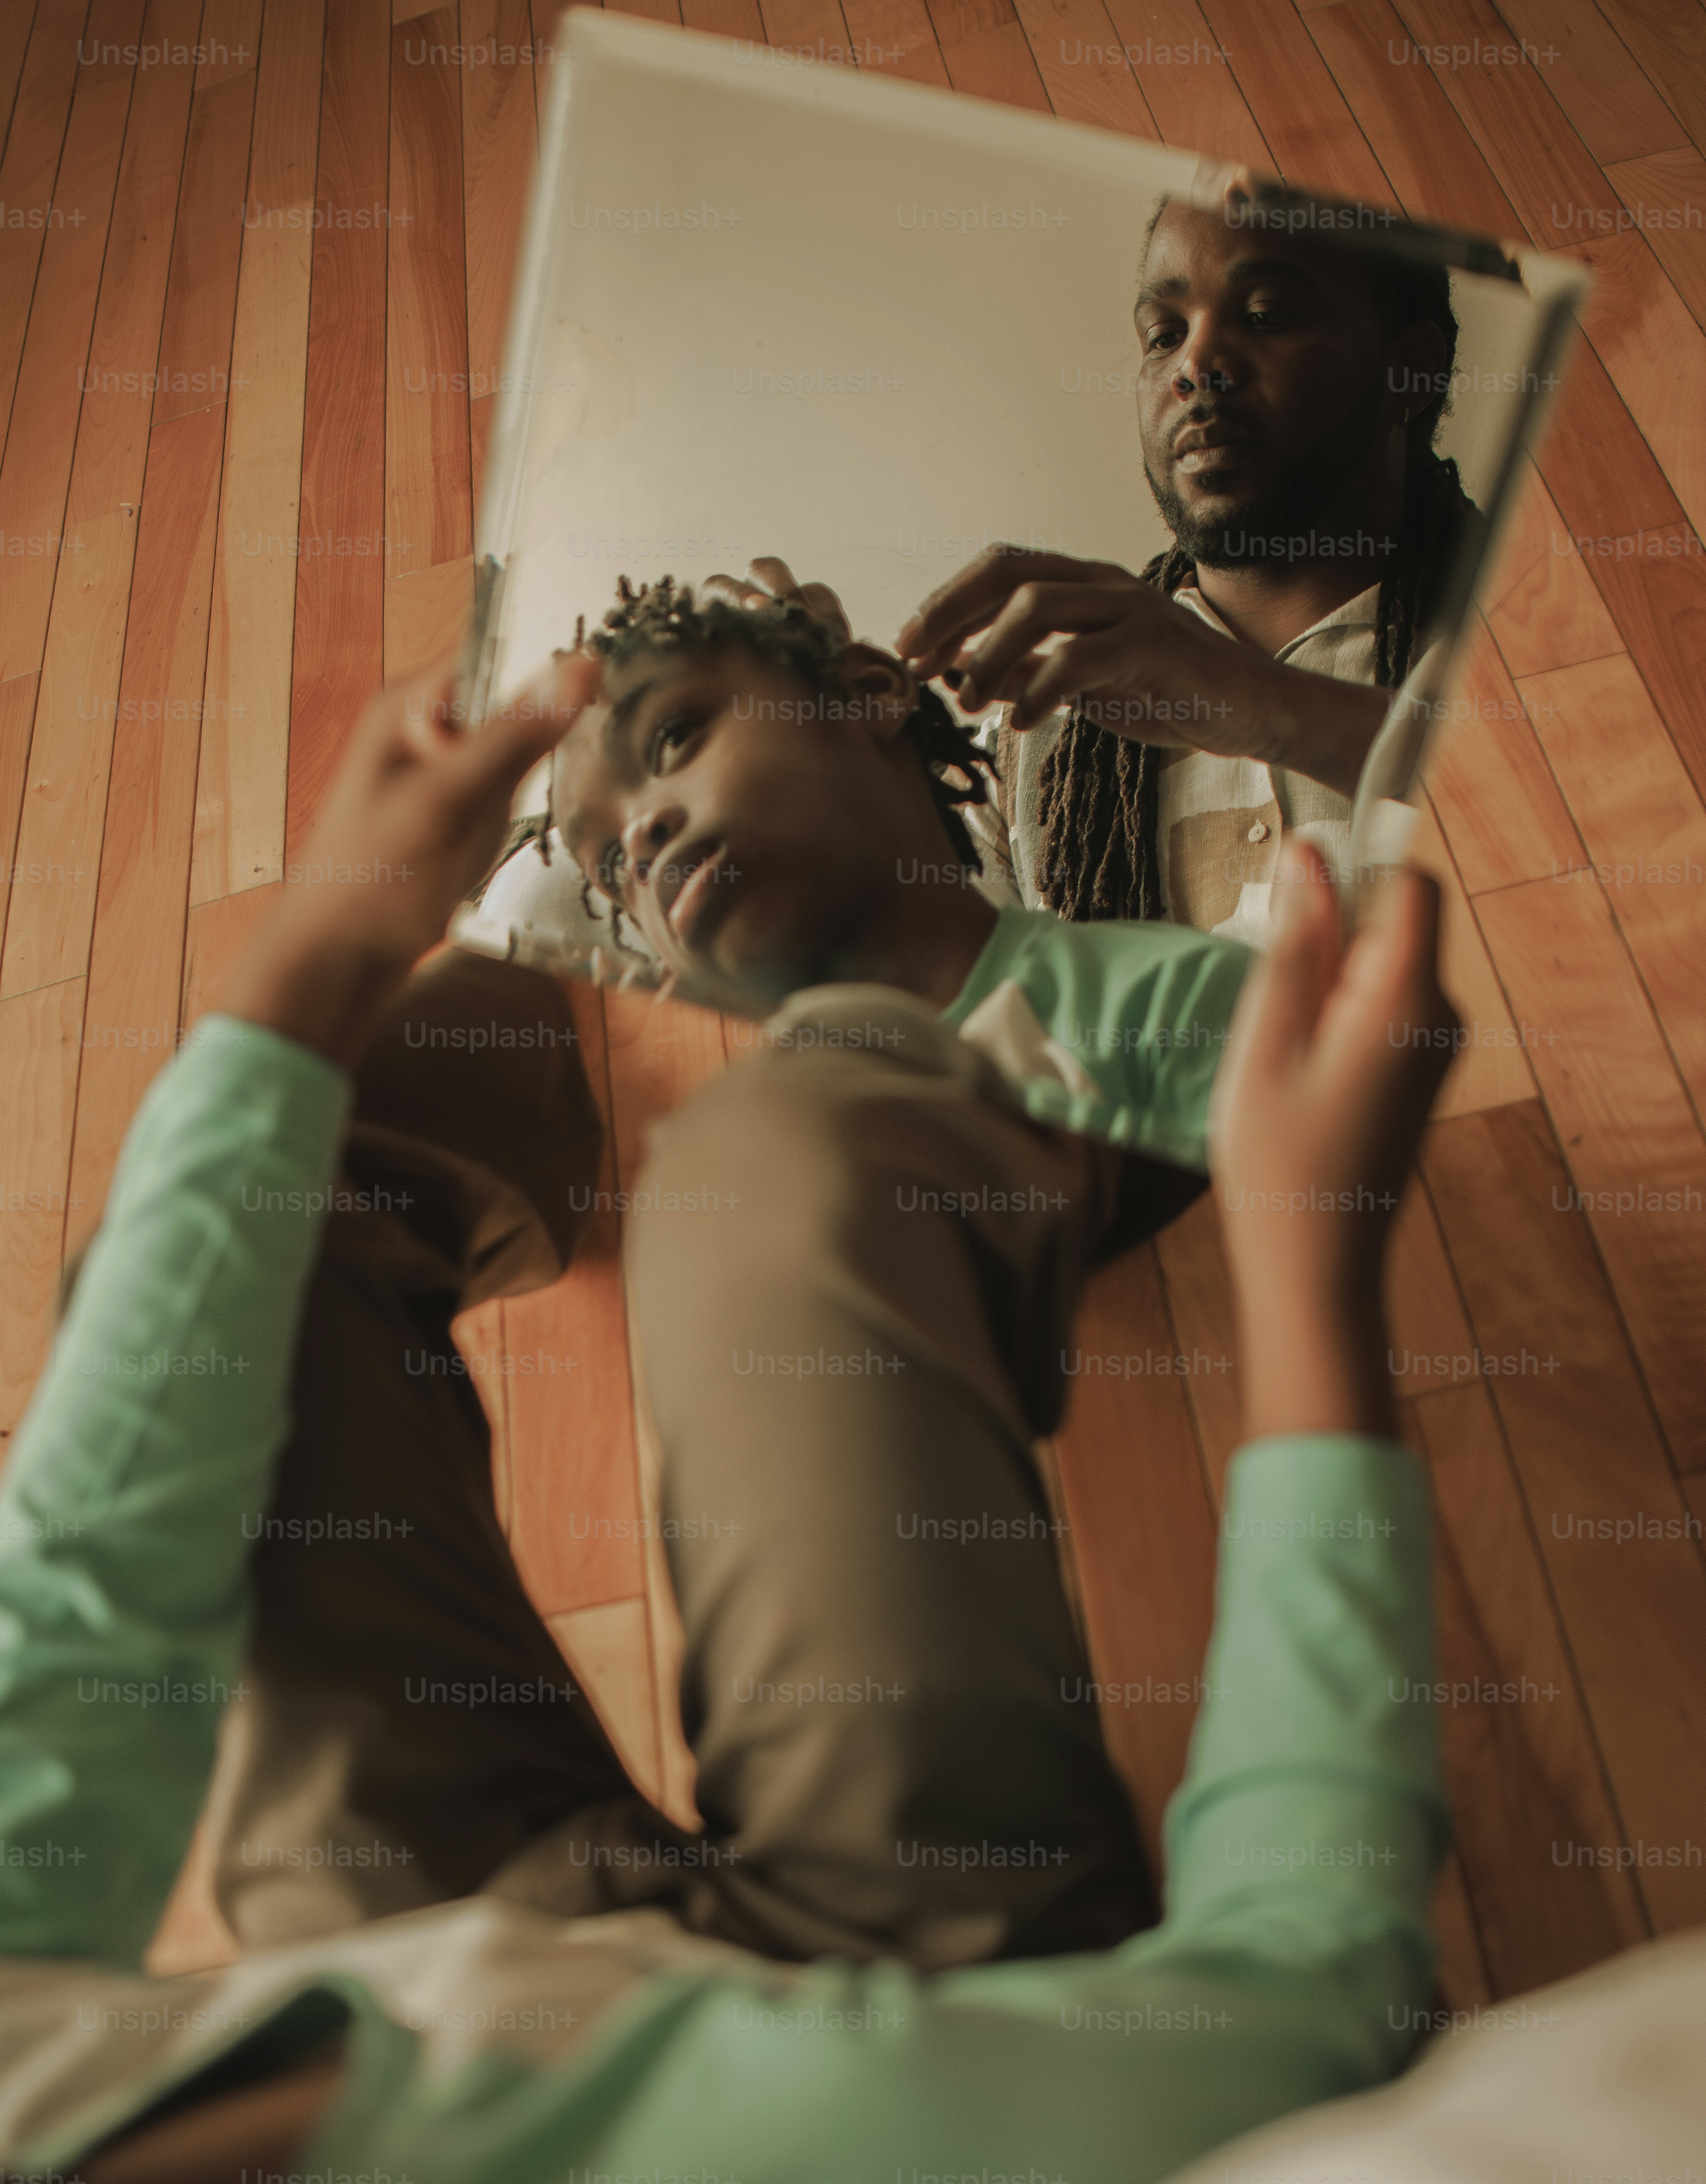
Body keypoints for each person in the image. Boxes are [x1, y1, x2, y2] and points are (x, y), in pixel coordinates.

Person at [1, 613, 1460, 2182]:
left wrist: (311, 963)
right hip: (913, 2030)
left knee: (231, 1263)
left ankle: (518, 1046)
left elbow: (79, 1595)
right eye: (612, 853)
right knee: (789, 1142)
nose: (648, 833)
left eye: (680, 742)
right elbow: (1308, 1987)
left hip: (444, 1945)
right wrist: (1314, 1282)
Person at [713, 171, 1482, 944]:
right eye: (1163, 334)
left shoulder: (1532, 644)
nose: (1197, 364)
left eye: (1266, 315)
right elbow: (954, 997)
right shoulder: (1034, 738)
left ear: (1407, 374)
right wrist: (831, 770)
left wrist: (1267, 709)